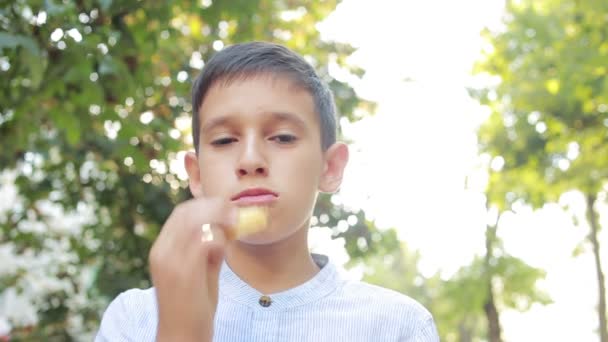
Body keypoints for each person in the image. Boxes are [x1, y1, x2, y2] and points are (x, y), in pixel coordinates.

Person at [95, 41, 439, 341]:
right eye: (225, 140)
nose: (250, 160)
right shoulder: (134, 319)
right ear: (196, 176)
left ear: (330, 168)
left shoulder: (399, 326)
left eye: (283, 137)